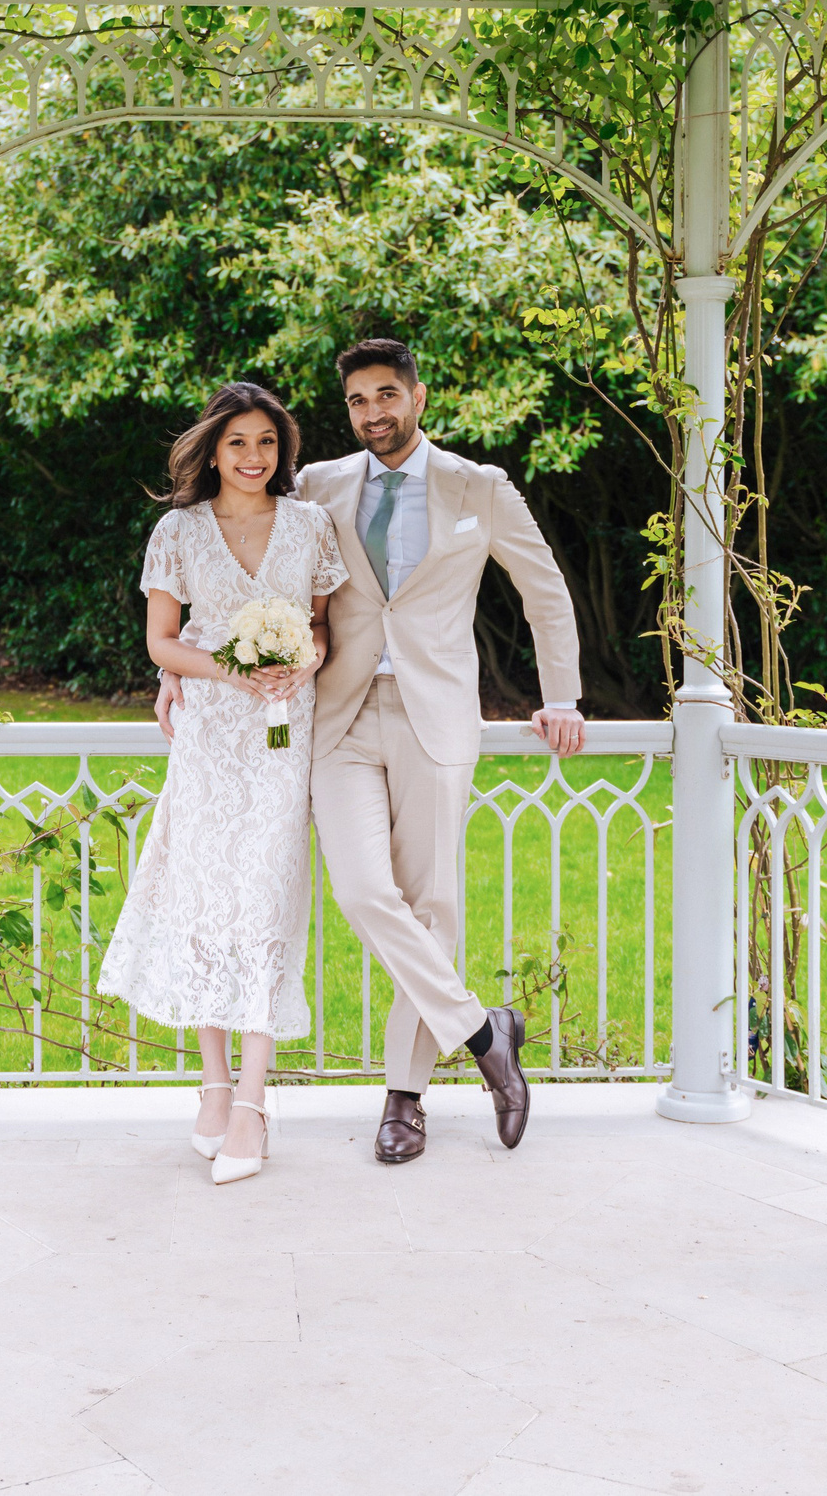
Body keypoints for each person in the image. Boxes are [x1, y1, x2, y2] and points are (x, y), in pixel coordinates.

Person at [159, 338, 584, 1164]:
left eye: (387, 395)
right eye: (358, 401)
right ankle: (483, 1031)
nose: (373, 413)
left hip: (437, 716)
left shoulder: (478, 489)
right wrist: (185, 676)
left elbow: (544, 588)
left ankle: (405, 1099)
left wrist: (560, 695)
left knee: (431, 905)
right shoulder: (317, 487)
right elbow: (247, 571)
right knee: (361, 890)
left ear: (418, 396)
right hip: (339, 715)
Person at [97, 381, 349, 1185]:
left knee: (265, 896)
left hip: (282, 733)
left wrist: (301, 659)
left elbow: (319, 626)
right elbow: (162, 644)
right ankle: (210, 1084)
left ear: (284, 451)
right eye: (238, 442)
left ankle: (253, 1102)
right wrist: (232, 672)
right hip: (210, 731)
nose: (253, 457)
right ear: (212, 449)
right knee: (206, 898)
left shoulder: (310, 525)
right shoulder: (178, 531)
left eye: (267, 443)